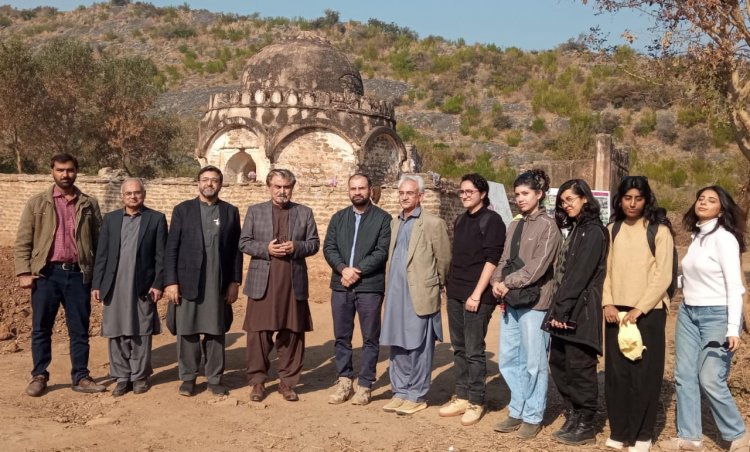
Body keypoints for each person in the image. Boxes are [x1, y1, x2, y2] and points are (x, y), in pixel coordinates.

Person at [659, 186, 748, 452]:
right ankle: (689, 437)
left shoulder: (725, 239)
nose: (704, 203)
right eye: (701, 199)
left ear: (722, 209)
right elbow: (690, 276)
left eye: (712, 200)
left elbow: (735, 286)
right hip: (688, 312)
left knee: (710, 378)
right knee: (685, 375)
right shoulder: (697, 237)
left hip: (717, 316)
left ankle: (739, 434)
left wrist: (734, 328)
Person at [14, 153, 105, 397]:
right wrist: (24, 271)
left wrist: (98, 277)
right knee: (41, 328)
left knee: (79, 329)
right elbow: (24, 239)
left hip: (78, 275)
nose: (65, 174)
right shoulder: (37, 203)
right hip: (46, 275)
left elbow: (100, 241)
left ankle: (81, 377)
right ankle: (39, 375)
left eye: (70, 170)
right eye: (60, 170)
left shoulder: (88, 203)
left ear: (77, 171)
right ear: (52, 171)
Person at [602, 176, 674, 452]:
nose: (632, 203)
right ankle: (620, 431)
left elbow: (663, 275)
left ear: (646, 200)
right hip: (615, 312)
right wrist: (608, 303)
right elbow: (604, 271)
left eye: (638, 198)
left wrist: (639, 308)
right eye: (627, 198)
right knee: (617, 374)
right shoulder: (613, 229)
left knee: (645, 374)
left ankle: (643, 434)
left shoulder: (659, 230)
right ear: (620, 200)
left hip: (649, 312)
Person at [490, 169, 561, 439]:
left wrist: (508, 283)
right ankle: (517, 408)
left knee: (534, 361)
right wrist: (497, 282)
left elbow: (539, 267)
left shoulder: (548, 226)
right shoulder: (515, 225)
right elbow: (504, 258)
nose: (519, 198)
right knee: (509, 358)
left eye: (525, 193)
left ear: (539, 194)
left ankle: (533, 414)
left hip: (536, 303)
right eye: (517, 194)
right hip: (511, 300)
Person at [240, 169, 319, 402]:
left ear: (292, 188)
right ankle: (257, 381)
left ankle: (287, 383)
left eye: (286, 187)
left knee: (292, 333)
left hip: (292, 282)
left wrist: (297, 247)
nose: (282, 191)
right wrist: (266, 248)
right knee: (258, 334)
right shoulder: (255, 211)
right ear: (269, 186)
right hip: (262, 281)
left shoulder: (304, 213)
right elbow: (244, 242)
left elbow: (314, 244)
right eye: (277, 186)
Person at [164, 165, 242, 397]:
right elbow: (172, 249)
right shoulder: (183, 210)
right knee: (187, 330)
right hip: (188, 280)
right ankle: (188, 378)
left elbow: (236, 251)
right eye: (205, 179)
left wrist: (234, 282)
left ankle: (215, 378)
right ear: (198, 182)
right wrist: (171, 282)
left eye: (214, 180)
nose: (209, 184)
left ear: (220, 184)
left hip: (217, 281)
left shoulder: (230, 211)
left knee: (215, 331)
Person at [544, 178, 608, 446]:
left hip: (580, 310)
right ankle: (572, 414)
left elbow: (580, 275)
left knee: (580, 366)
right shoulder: (577, 229)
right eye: (562, 201)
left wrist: (561, 308)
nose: (566, 205)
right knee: (559, 363)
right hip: (564, 308)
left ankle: (586, 423)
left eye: (571, 199)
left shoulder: (593, 231)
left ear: (585, 198)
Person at [380, 175, 451, 415]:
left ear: (421, 196)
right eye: (401, 193)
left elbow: (443, 261)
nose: (404, 197)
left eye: (409, 193)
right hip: (396, 295)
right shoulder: (395, 223)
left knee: (419, 347)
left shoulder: (433, 223)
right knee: (397, 343)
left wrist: (435, 286)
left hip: (420, 295)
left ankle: (416, 395)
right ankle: (399, 392)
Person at [439, 173, 505, 426]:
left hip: (478, 295)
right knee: (459, 348)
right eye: (462, 191)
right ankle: (462, 395)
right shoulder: (460, 220)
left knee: (475, 350)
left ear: (482, 194)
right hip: (456, 292)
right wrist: (450, 286)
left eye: (470, 191)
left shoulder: (492, 221)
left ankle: (476, 400)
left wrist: (476, 294)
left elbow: (492, 260)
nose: (465, 195)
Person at [91, 178, 167, 397]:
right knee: (115, 331)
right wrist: (97, 283)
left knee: (141, 331)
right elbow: (102, 254)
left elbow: (161, 256)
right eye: (129, 193)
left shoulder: (156, 219)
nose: (133, 197)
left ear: (143, 194)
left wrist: (158, 283)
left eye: (137, 193)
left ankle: (140, 376)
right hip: (113, 286)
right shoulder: (111, 219)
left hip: (142, 286)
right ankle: (122, 376)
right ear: (122, 196)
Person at [323, 173, 391, 406]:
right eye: (353, 188)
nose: (357, 192)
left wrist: (357, 270)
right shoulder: (338, 218)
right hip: (341, 285)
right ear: (348, 190)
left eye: (362, 188)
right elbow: (329, 247)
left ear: (370, 190)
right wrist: (343, 269)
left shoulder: (383, 219)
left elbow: (382, 252)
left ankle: (365, 384)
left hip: (369, 287)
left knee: (370, 337)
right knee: (342, 336)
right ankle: (344, 380)